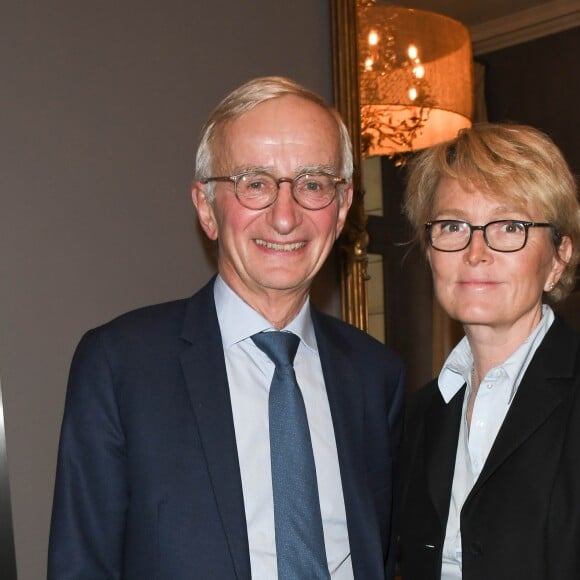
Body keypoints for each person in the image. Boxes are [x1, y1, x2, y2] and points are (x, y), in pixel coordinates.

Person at [48, 76, 405, 580]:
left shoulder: (376, 375)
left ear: (342, 207)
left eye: (313, 184)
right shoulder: (119, 366)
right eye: (255, 183)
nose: (286, 216)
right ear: (205, 208)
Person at [398, 122, 580, 580]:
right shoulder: (421, 414)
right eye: (454, 225)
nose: (475, 251)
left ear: (558, 258)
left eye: (509, 226)